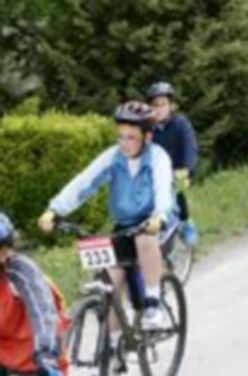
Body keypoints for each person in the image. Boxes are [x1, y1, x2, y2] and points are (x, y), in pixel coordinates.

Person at [38, 101, 177, 369]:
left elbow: (163, 190)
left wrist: (159, 216)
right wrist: (55, 210)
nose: (124, 143)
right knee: (112, 281)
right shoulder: (113, 157)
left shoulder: (158, 158)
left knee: (144, 239)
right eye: (120, 136)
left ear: (147, 137)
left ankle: (153, 303)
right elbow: (84, 182)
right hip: (125, 224)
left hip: (158, 222)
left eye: (131, 137)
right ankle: (113, 347)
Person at [0, 214, 68, 376]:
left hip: (36, 344)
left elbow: (42, 309)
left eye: (4, 249)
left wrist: (45, 352)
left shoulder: (21, 269)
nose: (4, 256)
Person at [146, 82, 199, 246]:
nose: (159, 109)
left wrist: (188, 168)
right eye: (155, 105)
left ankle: (186, 223)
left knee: (176, 194)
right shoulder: (148, 129)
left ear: (171, 106)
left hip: (177, 169)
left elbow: (190, 147)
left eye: (163, 104)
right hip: (155, 172)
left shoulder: (181, 124)